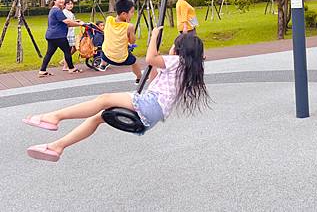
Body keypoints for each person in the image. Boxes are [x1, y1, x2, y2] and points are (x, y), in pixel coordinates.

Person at [23, 27, 209, 162]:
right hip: (153, 114)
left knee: (104, 99)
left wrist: (153, 37)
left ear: (178, 50)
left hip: (150, 105)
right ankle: (57, 147)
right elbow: (153, 79)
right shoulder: (186, 68)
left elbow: (150, 57)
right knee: (98, 118)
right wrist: (154, 62)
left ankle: (54, 117)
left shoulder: (177, 60)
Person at [39, 0, 84, 77]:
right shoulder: (57, 10)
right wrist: (80, 24)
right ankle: (71, 68)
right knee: (67, 51)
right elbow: (67, 22)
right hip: (58, 36)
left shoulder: (54, 10)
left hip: (51, 35)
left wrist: (77, 23)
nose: (62, 1)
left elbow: (66, 23)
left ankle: (42, 70)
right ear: (55, 1)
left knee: (49, 53)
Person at [97, 0, 141, 82]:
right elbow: (132, 42)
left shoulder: (109, 19)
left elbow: (114, 30)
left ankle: (103, 64)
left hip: (106, 56)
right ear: (124, 14)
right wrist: (128, 25)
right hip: (121, 59)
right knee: (134, 62)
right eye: (132, 12)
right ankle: (139, 77)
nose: (133, 14)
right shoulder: (129, 26)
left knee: (106, 45)